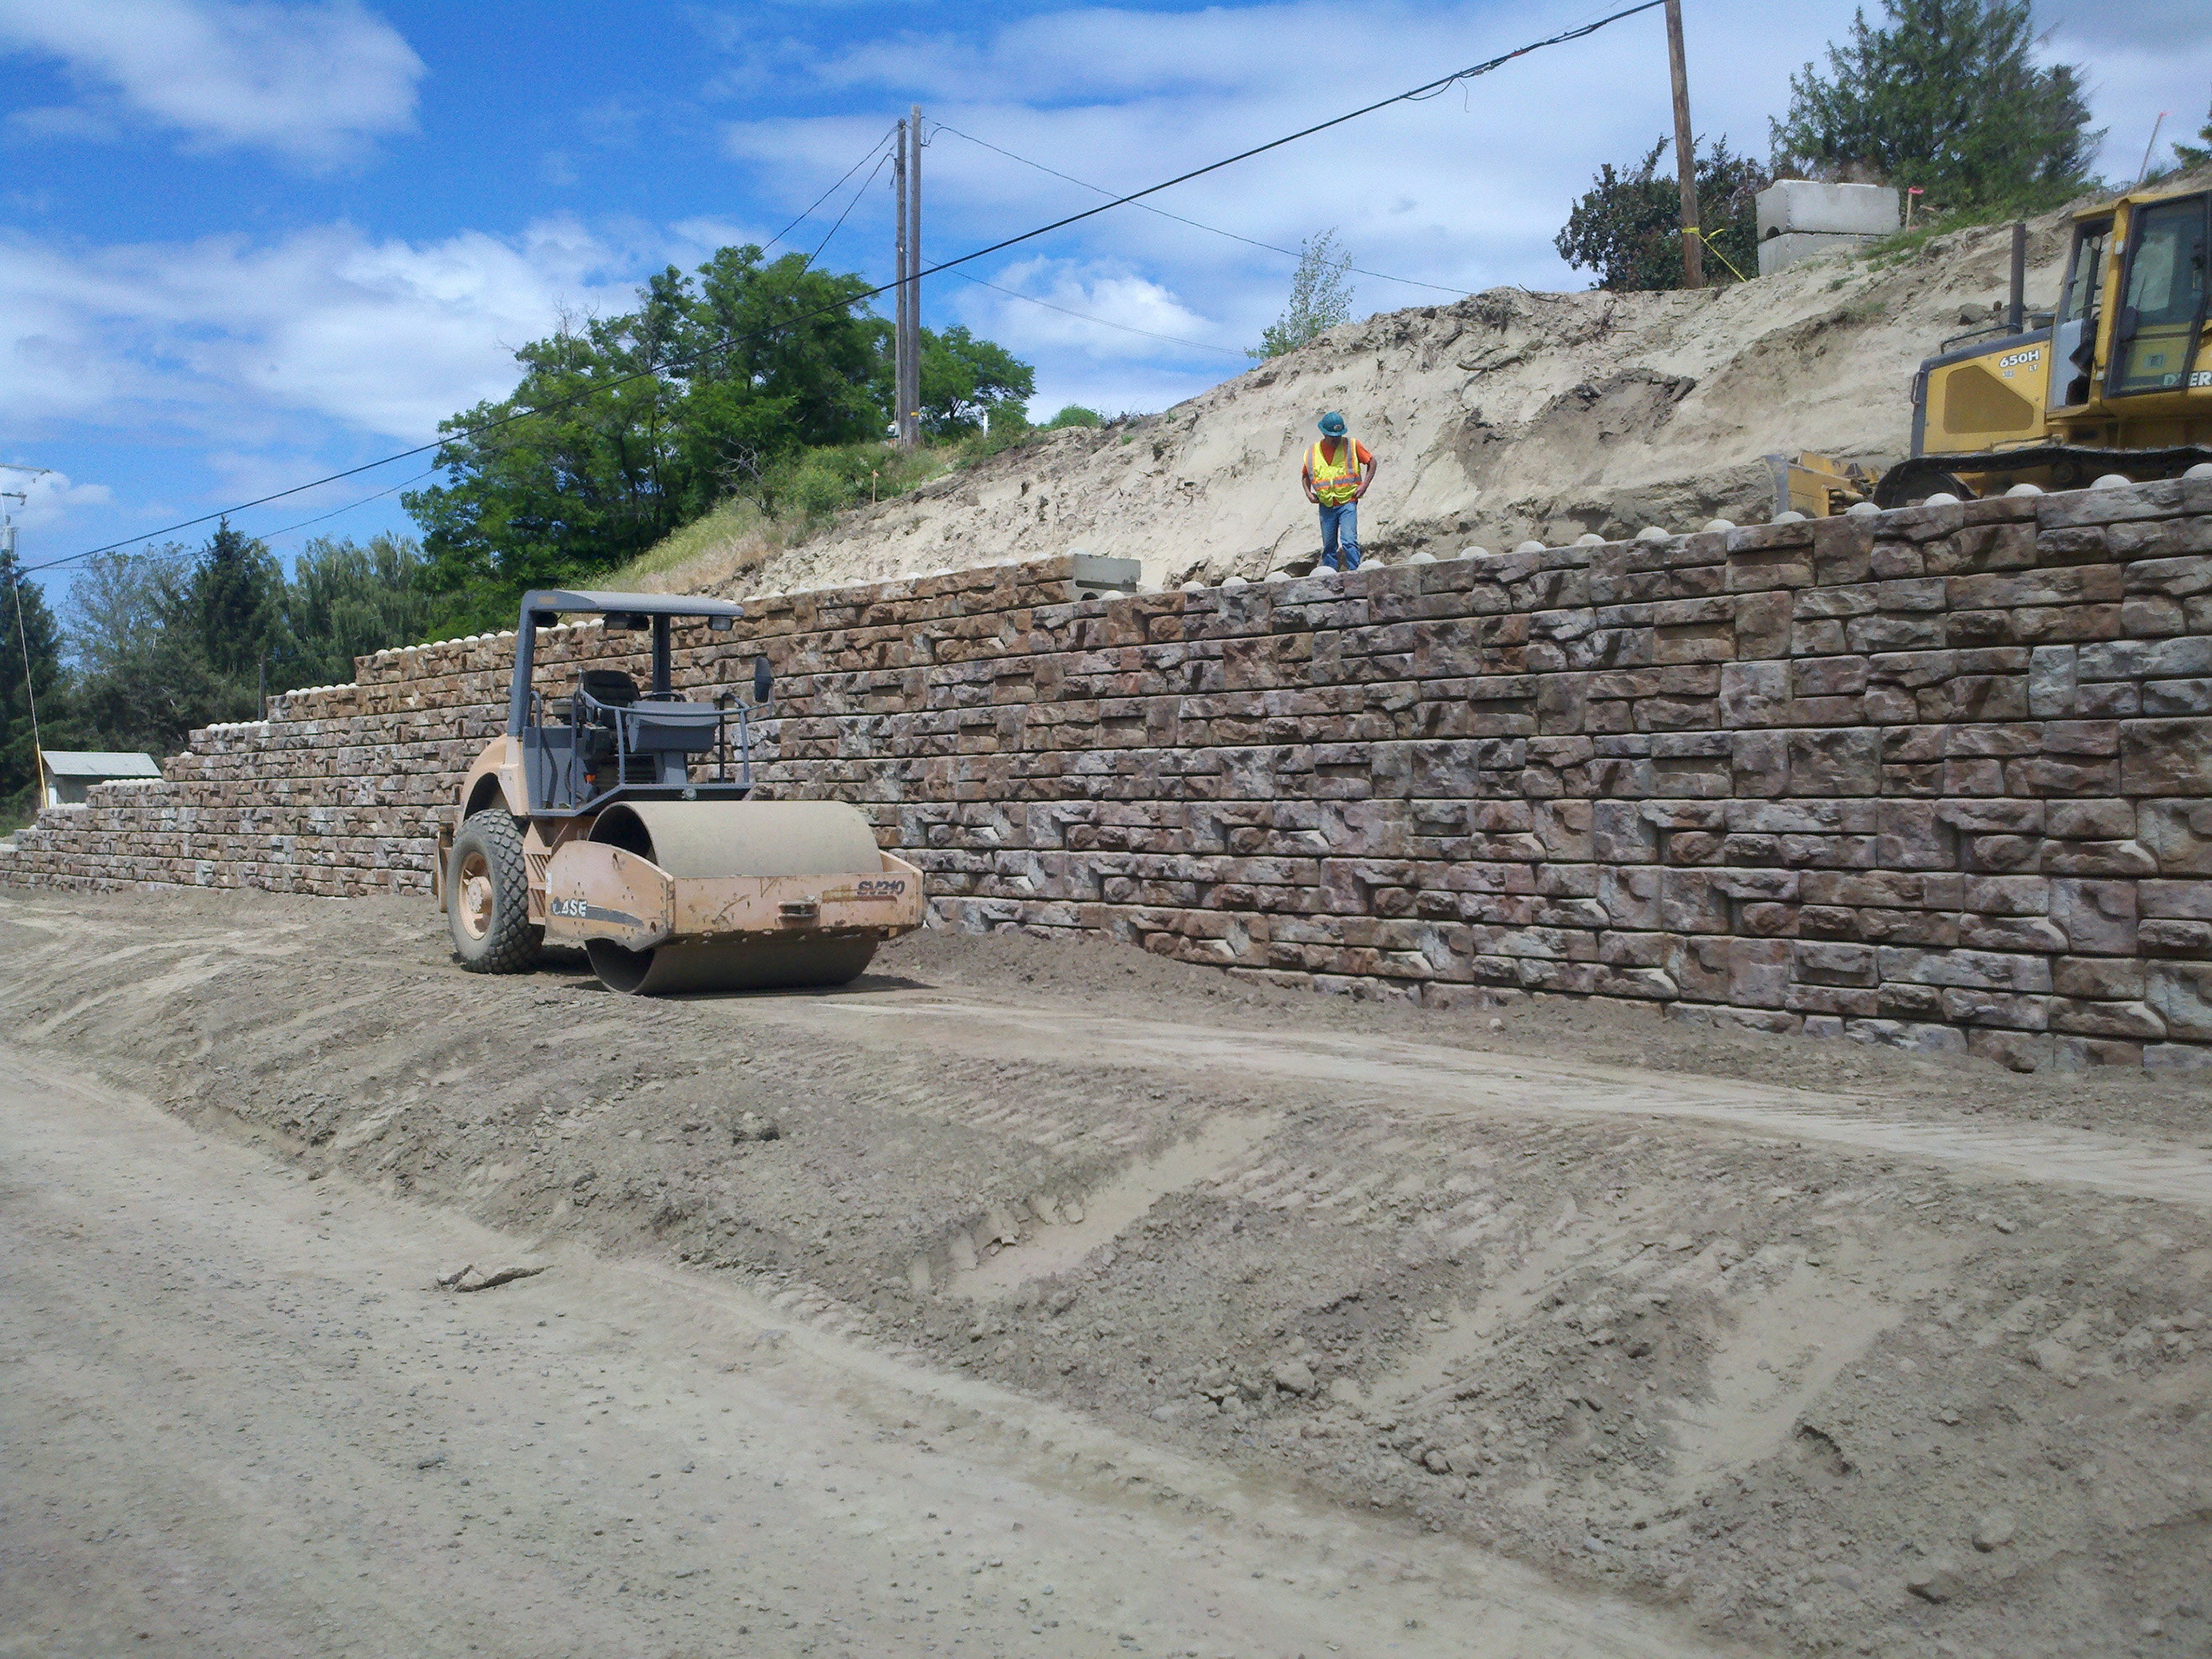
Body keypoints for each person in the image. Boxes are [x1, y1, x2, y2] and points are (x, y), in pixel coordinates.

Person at [1300, 411, 1376, 574]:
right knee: (1329, 546)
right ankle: (1330, 577)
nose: (1336, 439)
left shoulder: (1352, 445)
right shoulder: (1312, 452)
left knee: (1349, 541)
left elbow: (1372, 462)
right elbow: (1306, 475)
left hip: (1347, 501)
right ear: (1323, 433)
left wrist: (1364, 485)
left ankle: (1357, 574)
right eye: (1332, 436)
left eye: (1338, 435)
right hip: (1326, 505)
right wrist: (1308, 493)